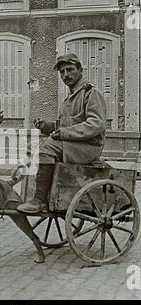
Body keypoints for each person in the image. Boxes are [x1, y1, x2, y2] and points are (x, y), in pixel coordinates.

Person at [17, 53, 106, 214]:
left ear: (80, 70)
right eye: (62, 72)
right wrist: (47, 126)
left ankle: (39, 200)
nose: (65, 75)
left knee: (47, 148)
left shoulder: (90, 92)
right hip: (74, 144)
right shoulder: (71, 96)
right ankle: (43, 193)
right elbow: (66, 125)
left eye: (70, 70)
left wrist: (64, 133)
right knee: (33, 146)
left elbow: (96, 124)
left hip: (89, 147)